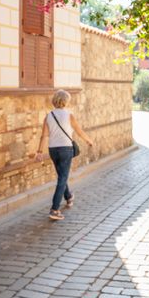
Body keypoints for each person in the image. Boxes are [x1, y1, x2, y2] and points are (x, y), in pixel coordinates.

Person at [35, 90, 95, 221]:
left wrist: (39, 152)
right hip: (65, 149)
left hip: (53, 150)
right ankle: (54, 209)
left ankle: (68, 196)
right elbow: (79, 132)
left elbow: (43, 136)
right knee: (62, 178)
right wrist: (89, 141)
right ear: (65, 101)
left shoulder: (48, 116)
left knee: (62, 176)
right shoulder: (69, 115)